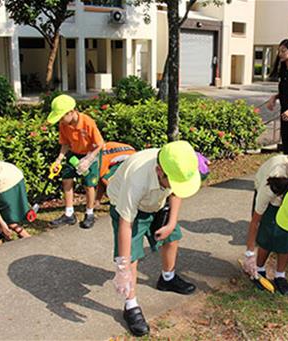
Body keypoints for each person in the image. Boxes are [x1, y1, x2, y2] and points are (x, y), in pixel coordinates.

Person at [108, 140, 201, 337]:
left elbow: (176, 190)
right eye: (172, 180)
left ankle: (167, 278)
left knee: (172, 238)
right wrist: (123, 268)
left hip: (156, 203)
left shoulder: (176, 162)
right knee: (132, 256)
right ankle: (130, 305)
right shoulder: (137, 180)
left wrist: (171, 223)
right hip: (126, 207)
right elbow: (126, 224)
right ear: (159, 171)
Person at [242, 155, 288, 295]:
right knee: (267, 231)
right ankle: (259, 269)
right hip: (271, 185)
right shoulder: (269, 189)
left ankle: (280, 275)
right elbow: (255, 222)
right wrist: (249, 253)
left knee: (287, 236)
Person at [47, 94, 104, 229]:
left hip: (91, 155)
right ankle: (69, 214)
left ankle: (89, 213)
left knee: (89, 185)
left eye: (61, 117)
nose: (60, 120)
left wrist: (88, 160)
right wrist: (58, 160)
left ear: (71, 112)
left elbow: (100, 144)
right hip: (73, 155)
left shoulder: (87, 122)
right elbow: (65, 144)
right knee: (66, 180)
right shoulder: (64, 124)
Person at [95, 141, 136, 206]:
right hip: (130, 154)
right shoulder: (103, 148)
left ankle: (120, 199)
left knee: (105, 178)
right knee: (103, 178)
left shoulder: (102, 157)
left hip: (129, 158)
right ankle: (97, 202)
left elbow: (103, 177)